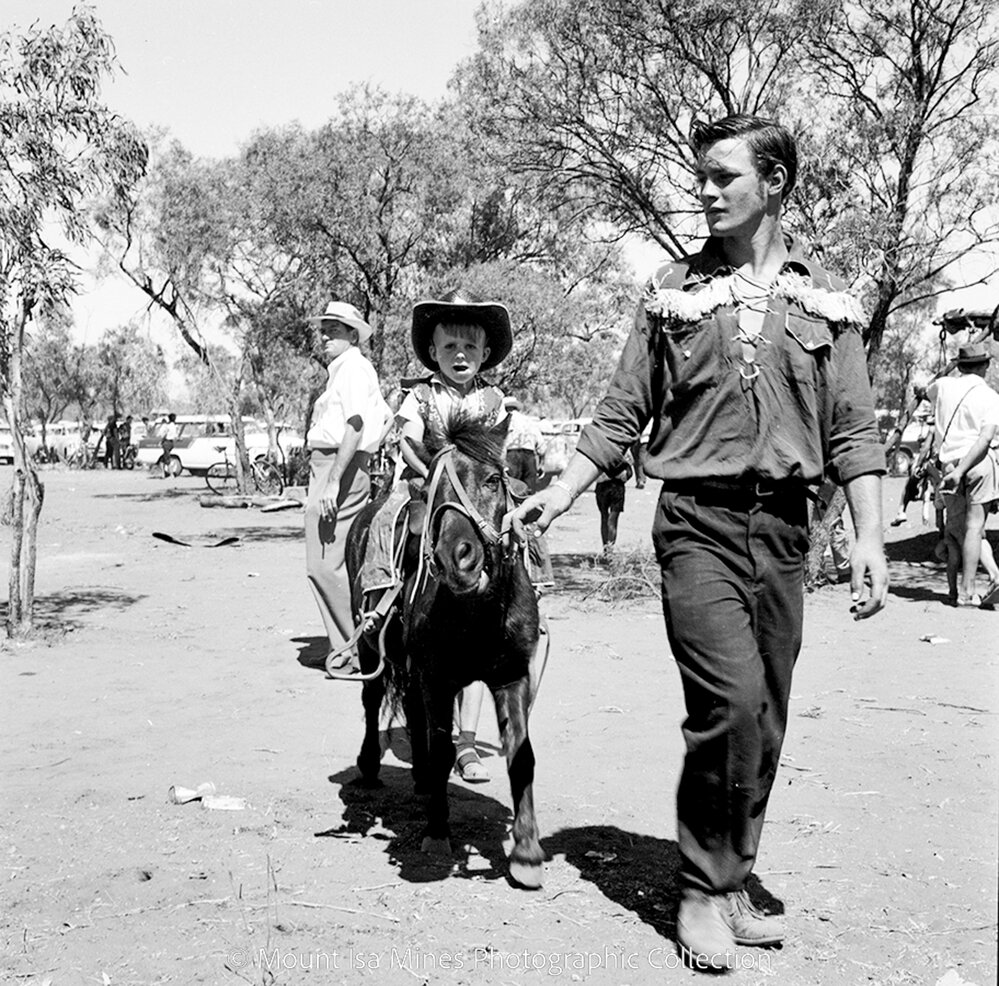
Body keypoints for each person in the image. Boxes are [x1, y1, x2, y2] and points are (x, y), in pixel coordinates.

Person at [507, 114, 888, 970]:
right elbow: (617, 413)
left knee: (767, 716)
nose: (705, 192)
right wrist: (563, 491)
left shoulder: (825, 303)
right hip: (696, 526)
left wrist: (868, 537)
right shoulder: (671, 294)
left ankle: (730, 875)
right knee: (728, 703)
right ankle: (697, 889)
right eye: (701, 178)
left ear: (774, 184)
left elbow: (854, 432)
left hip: (787, 530)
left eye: (723, 177)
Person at [358, 288, 514, 779]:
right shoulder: (421, 396)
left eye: (470, 346)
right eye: (450, 347)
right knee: (391, 520)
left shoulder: (494, 399)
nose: (460, 355)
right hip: (427, 486)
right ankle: (380, 596)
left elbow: (500, 451)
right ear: (434, 353)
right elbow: (405, 441)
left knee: (514, 522)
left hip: (475, 494)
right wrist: (429, 473)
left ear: (486, 352)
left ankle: (529, 586)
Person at [304, 301, 392, 672]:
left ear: (353, 334)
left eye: (335, 330)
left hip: (336, 467)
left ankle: (352, 650)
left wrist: (336, 479)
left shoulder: (354, 367)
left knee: (324, 565)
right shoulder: (347, 370)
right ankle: (352, 646)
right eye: (324, 329)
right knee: (335, 560)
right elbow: (384, 416)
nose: (325, 336)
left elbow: (355, 425)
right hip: (336, 465)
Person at [927, 342, 999, 607]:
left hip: (948, 464)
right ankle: (970, 589)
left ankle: (960, 592)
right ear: (986, 365)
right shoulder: (990, 396)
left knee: (955, 529)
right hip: (979, 462)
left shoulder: (944, 385)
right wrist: (965, 468)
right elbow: (986, 437)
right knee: (975, 527)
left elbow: (925, 390)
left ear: (959, 365)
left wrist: (956, 470)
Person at [503, 396, 544, 494]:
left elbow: (502, 442)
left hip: (512, 455)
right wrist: (541, 464)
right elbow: (541, 445)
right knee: (529, 489)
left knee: (513, 488)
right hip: (529, 455)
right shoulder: (529, 421)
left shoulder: (505, 420)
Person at [594, 460, 632, 557]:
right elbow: (629, 471)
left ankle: (606, 549)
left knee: (604, 517)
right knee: (613, 519)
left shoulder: (599, 450)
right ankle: (610, 550)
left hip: (602, 485)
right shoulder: (622, 448)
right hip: (617, 486)